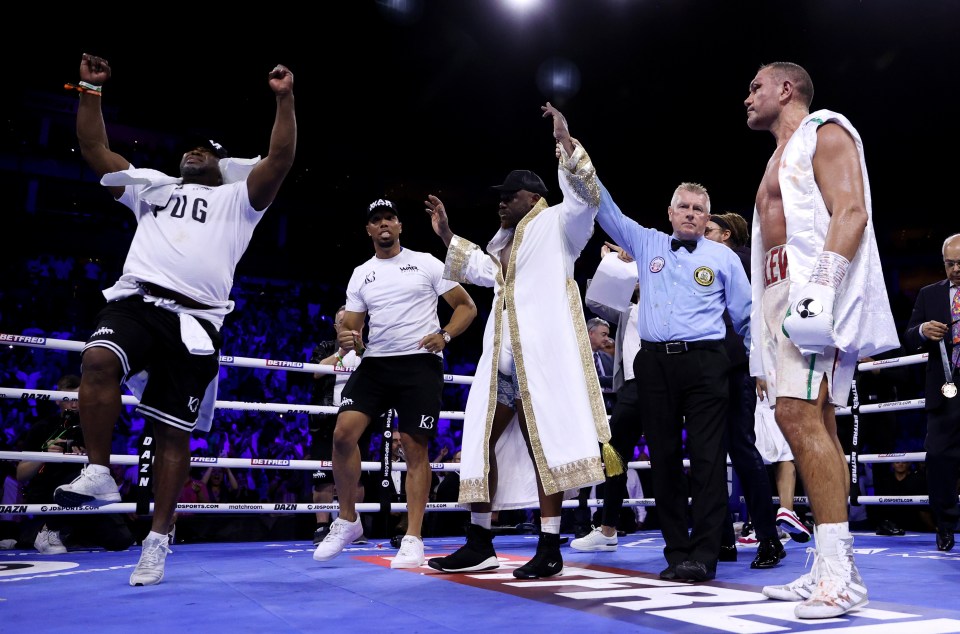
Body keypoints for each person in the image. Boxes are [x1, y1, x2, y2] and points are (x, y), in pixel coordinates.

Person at [53, 53, 297, 587]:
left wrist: (283, 97)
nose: (194, 151)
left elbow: (279, 159)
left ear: (222, 163)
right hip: (138, 301)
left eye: (206, 150)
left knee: (171, 433)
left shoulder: (240, 200)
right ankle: (98, 470)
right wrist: (90, 91)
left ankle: (157, 541)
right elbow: (95, 150)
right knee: (96, 360)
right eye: (191, 146)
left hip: (195, 321)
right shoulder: (152, 188)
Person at [425, 102, 618, 579]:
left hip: (545, 360)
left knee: (544, 446)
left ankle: (550, 545)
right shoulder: (502, 244)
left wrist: (566, 142)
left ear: (532, 196)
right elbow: (483, 273)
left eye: (508, 196)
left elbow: (585, 199)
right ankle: (480, 541)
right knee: (480, 443)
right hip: (503, 367)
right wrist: (448, 233)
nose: (500, 202)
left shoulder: (559, 225)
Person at [744, 61, 898, 618]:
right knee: (815, 420)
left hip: (809, 289)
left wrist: (821, 292)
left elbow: (851, 211)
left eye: (756, 87)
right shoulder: (775, 158)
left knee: (798, 418)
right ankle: (832, 566)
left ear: (786, 90)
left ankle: (840, 577)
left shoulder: (826, 131)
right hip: (778, 290)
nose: (747, 97)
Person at [594, 181, 752, 583]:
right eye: (683, 206)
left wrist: (760, 369)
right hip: (655, 364)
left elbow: (746, 316)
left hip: (705, 364)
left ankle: (704, 554)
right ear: (670, 212)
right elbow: (607, 209)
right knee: (663, 459)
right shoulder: (648, 243)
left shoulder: (724, 258)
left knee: (707, 460)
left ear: (707, 216)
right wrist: (576, 156)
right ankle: (677, 551)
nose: (691, 213)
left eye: (699, 208)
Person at [312, 198, 477, 569]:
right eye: (376, 220)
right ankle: (348, 519)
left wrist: (445, 336)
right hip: (376, 364)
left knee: (416, 448)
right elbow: (351, 328)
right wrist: (346, 338)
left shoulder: (427, 263)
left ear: (400, 225)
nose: (384, 224)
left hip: (419, 364)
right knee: (342, 434)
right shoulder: (361, 273)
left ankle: (413, 537)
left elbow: (467, 307)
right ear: (368, 230)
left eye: (390, 217)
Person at [705, 212, 790, 569]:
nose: (701, 233)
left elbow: (751, 317)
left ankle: (766, 537)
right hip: (709, 367)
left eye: (708, 229)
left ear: (725, 235)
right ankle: (725, 539)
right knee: (711, 454)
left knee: (739, 449)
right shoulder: (706, 259)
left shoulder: (735, 260)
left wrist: (758, 367)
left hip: (731, 366)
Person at [572, 243, 651, 552]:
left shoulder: (671, 307)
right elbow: (594, 301)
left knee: (668, 459)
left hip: (663, 387)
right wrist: (611, 267)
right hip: (631, 389)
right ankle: (607, 530)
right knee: (615, 457)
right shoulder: (627, 310)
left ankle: (684, 534)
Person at [17, 374, 134, 554]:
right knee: (73, 481)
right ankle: (48, 530)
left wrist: (89, 457)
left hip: (87, 497)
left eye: (78, 399)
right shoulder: (42, 427)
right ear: (57, 400)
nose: (73, 405)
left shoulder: (95, 428)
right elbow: (21, 474)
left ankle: (72, 533)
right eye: (68, 399)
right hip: (50, 493)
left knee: (121, 540)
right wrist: (44, 454)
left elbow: (107, 469)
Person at [902, 233, 960, 551]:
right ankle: (945, 526)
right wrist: (923, 330)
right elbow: (909, 335)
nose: (955, 269)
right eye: (950, 263)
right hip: (945, 387)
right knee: (938, 458)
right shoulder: (929, 294)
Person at [308, 305, 366, 544]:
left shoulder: (369, 350)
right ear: (336, 326)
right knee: (323, 476)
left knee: (358, 476)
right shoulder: (325, 347)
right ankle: (322, 526)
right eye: (342, 321)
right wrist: (341, 352)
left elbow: (377, 374)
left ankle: (354, 523)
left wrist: (360, 349)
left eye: (351, 320)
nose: (347, 324)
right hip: (325, 418)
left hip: (358, 416)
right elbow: (315, 373)